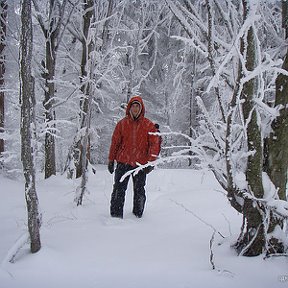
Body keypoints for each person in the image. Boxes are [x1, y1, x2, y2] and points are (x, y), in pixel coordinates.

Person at [108, 96, 161, 218]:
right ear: (129, 108)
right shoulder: (122, 124)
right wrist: (111, 160)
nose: (135, 108)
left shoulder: (148, 125)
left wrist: (151, 162)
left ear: (141, 108)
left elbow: (154, 145)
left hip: (140, 164)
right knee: (118, 190)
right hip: (123, 162)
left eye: (138, 106)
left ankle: (138, 217)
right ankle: (116, 217)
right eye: (133, 106)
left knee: (139, 191)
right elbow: (115, 143)